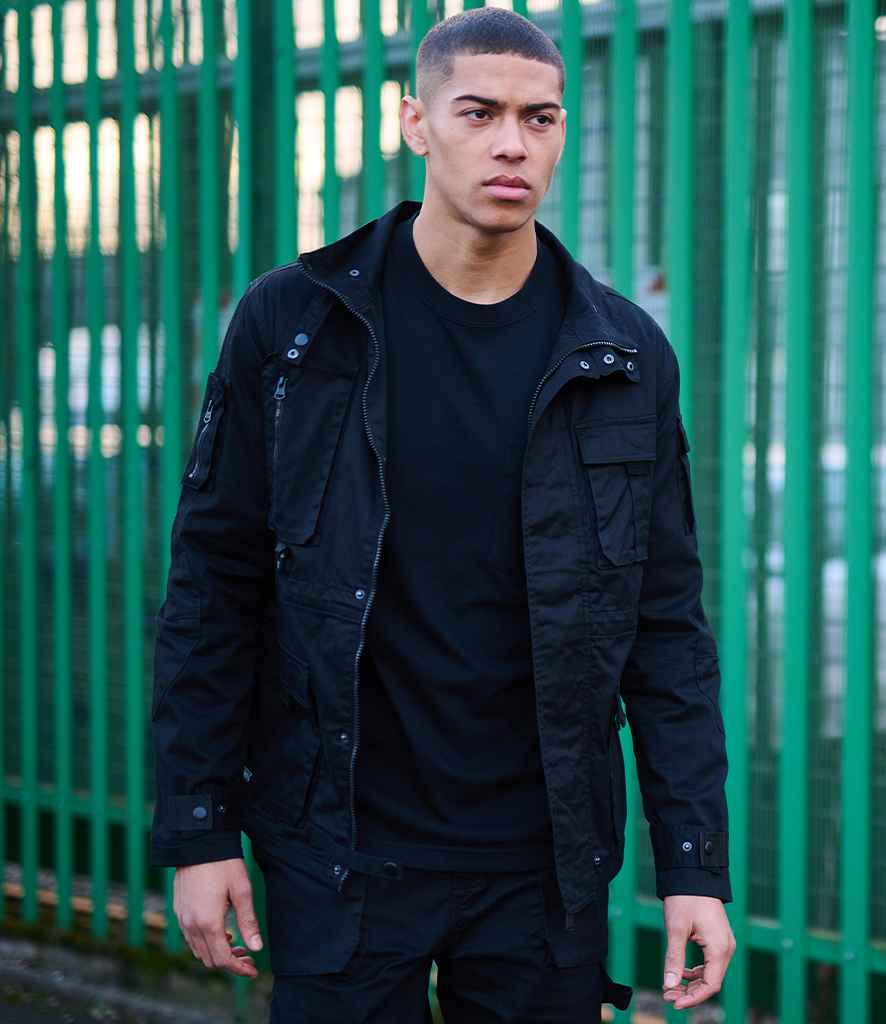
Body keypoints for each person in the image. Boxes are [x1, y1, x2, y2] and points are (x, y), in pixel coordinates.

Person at [150, 7, 736, 1022]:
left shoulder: (622, 354)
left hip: (542, 866)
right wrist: (199, 830)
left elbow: (665, 623)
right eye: (479, 112)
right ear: (415, 123)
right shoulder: (298, 325)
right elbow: (214, 582)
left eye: (539, 118)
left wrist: (694, 866)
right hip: (339, 850)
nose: (513, 143)